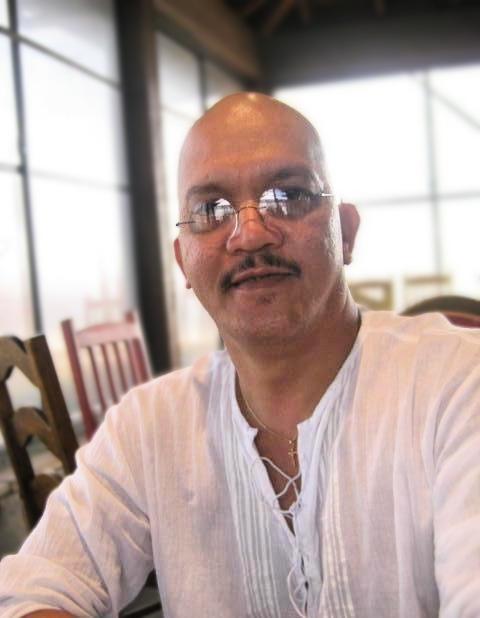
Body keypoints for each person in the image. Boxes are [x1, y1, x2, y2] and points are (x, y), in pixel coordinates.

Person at [0, 92, 479, 618]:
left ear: (346, 232)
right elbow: (38, 587)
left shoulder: (456, 384)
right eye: (211, 210)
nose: (250, 234)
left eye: (288, 195)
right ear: (184, 261)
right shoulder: (151, 425)